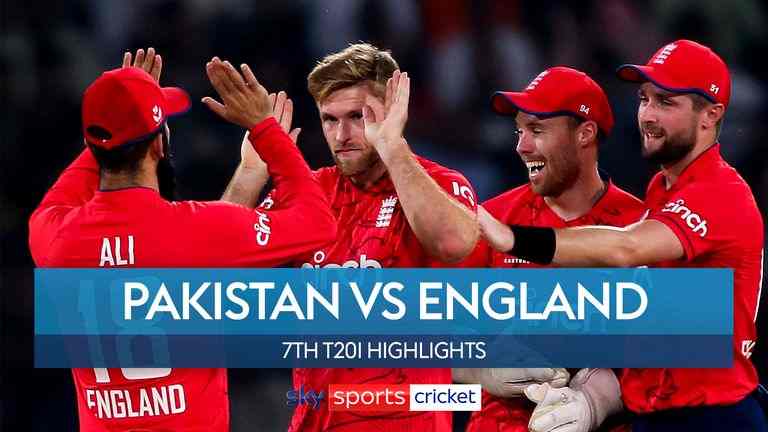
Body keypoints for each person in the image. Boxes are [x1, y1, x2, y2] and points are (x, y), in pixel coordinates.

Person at [28, 48, 336, 431]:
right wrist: (265, 130)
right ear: (159, 145)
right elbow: (318, 223)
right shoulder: (196, 228)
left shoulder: (55, 238)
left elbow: (61, 197)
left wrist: (115, 119)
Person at [482, 40, 767, 432]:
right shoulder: (661, 190)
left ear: (710, 115)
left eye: (666, 102)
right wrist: (594, 396)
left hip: (714, 414)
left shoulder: (720, 191)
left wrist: (512, 239)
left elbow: (627, 246)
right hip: (660, 413)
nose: (647, 114)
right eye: (644, 99)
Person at [223, 42, 480, 431]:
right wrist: (249, 173)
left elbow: (453, 243)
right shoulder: (307, 192)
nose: (341, 135)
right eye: (329, 119)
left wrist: (393, 147)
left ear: (393, 111)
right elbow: (217, 269)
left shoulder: (440, 183)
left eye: (357, 116)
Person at [452, 66, 646, 432]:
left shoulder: (640, 228)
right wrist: (480, 369)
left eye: (537, 130)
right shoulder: (491, 220)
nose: (521, 146)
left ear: (585, 134)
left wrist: (600, 400)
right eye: (519, 131)